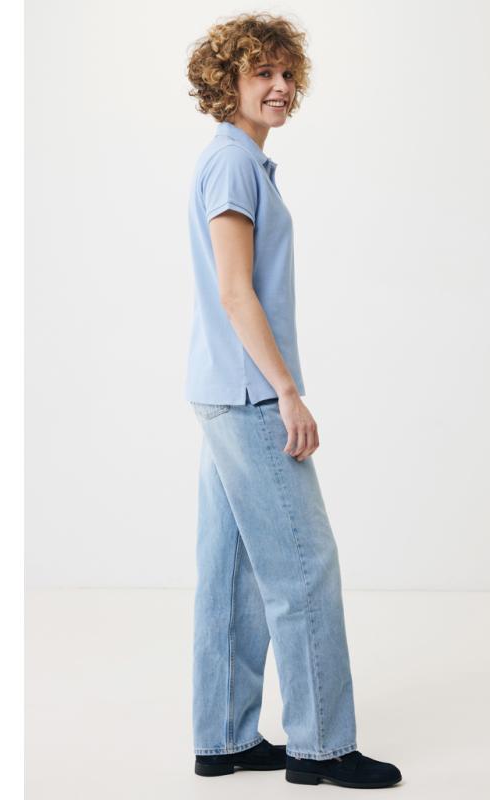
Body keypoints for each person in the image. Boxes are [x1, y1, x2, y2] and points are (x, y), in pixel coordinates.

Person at [183, 13, 402, 789]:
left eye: (286, 73)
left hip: (220, 389)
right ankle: (323, 747)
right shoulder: (233, 165)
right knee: (305, 567)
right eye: (262, 74)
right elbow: (235, 291)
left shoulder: (237, 161)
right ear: (228, 84)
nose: (280, 87)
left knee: (234, 573)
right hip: (248, 394)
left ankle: (223, 738)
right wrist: (287, 391)